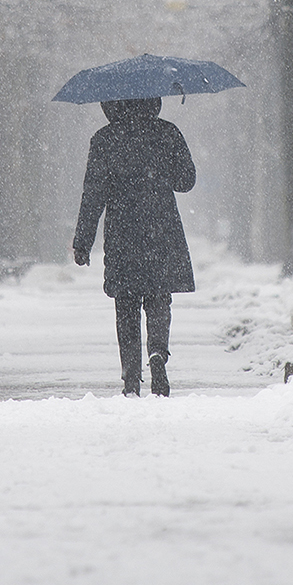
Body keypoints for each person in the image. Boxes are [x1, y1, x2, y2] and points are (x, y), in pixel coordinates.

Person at [72, 97, 196, 396]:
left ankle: (130, 375)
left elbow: (93, 194)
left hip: (122, 232)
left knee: (125, 305)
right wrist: (160, 170)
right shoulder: (167, 133)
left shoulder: (104, 139)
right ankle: (157, 353)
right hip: (160, 227)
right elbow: (186, 181)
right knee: (159, 297)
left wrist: (83, 241)